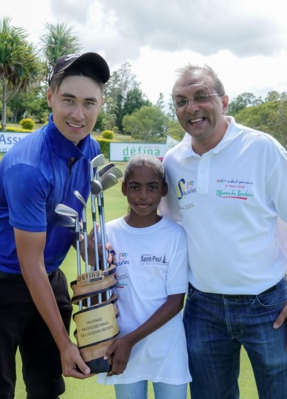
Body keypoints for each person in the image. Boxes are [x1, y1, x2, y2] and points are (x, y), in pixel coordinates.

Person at [158, 65, 287, 399]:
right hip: (202, 307)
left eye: (201, 96)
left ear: (225, 101)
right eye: (180, 101)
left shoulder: (262, 149)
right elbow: (167, 230)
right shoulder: (174, 162)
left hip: (268, 306)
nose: (191, 108)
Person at [0, 52, 110, 399]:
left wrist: (94, 253)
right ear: (50, 97)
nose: (78, 114)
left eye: (89, 103)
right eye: (68, 100)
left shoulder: (91, 150)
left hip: (48, 275)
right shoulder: (28, 166)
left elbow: (67, 216)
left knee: (47, 388)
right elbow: (29, 264)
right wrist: (64, 343)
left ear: (101, 104)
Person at [97, 154, 191, 399]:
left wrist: (130, 340)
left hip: (166, 347)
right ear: (124, 188)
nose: (143, 196)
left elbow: (175, 302)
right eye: (135, 187)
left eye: (152, 187)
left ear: (163, 190)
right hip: (122, 348)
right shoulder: (108, 232)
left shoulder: (175, 235)